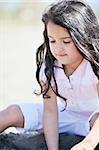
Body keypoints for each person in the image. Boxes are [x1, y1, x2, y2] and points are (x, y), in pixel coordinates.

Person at [0, 0, 99, 149]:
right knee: (12, 112)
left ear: (83, 37)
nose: (58, 48)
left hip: (94, 120)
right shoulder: (50, 67)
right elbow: (51, 112)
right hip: (64, 115)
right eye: (52, 41)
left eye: (66, 41)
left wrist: (89, 143)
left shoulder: (94, 67)